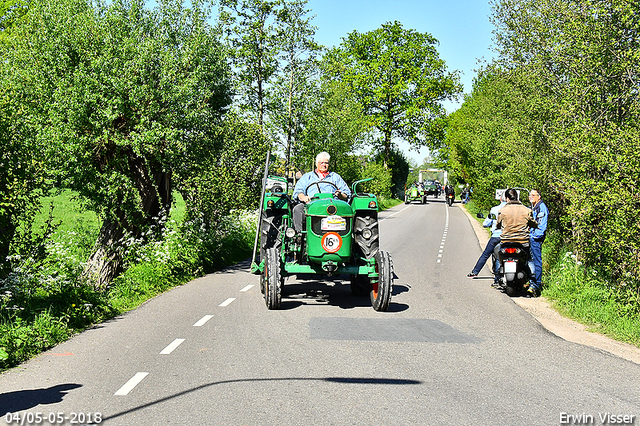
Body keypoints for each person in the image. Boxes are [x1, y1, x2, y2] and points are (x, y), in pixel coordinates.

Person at [291, 152, 351, 233]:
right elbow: (298, 191)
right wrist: (303, 197)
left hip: (333, 205)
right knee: (297, 209)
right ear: (316, 164)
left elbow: (346, 193)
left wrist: (340, 195)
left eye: (326, 163)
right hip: (311, 203)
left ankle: (347, 237)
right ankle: (299, 236)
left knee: (348, 210)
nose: (324, 165)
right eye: (321, 163)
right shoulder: (307, 177)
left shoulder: (335, 177)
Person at [467, 193, 507, 285]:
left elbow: (486, 223)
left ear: (501, 199)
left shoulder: (495, 209)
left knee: (486, 254)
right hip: (509, 236)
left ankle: (475, 272)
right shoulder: (513, 210)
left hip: (496, 236)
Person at [528, 189, 549, 297]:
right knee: (529, 259)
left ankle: (536, 284)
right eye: (529, 195)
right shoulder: (534, 207)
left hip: (535, 239)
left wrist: (533, 236)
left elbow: (541, 227)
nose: (530, 197)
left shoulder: (541, 208)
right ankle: (530, 282)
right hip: (531, 237)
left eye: (533, 195)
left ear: (539, 197)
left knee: (536, 261)